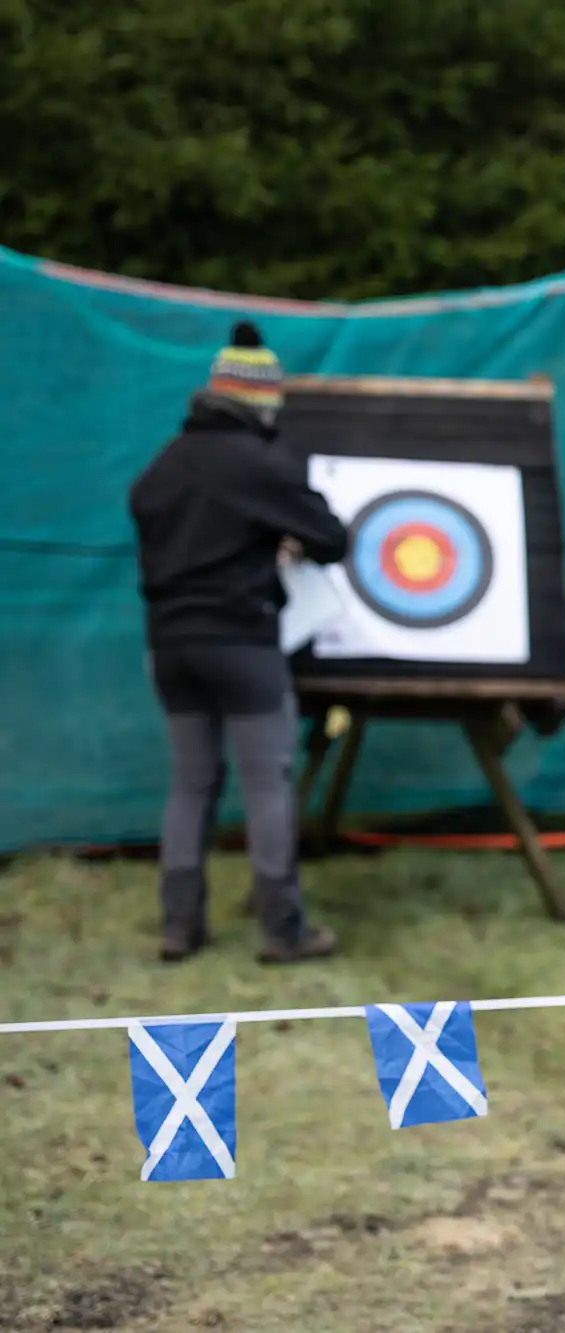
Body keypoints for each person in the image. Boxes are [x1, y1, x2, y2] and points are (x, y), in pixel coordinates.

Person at [128, 321, 350, 965]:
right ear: (260, 401)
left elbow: (167, 525)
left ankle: (179, 927)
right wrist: (283, 541)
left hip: (169, 646)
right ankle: (284, 933)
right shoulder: (259, 464)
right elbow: (334, 539)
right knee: (267, 784)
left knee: (191, 783)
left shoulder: (163, 466)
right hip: (243, 644)